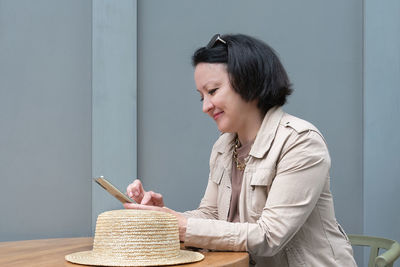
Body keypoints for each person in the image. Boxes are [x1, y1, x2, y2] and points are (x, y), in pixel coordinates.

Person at [124, 33, 357, 266]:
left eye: (213, 91)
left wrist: (182, 227)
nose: (205, 106)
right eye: (201, 97)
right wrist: (164, 218)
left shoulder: (300, 142)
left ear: (249, 82)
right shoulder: (224, 147)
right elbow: (211, 215)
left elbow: (269, 236)